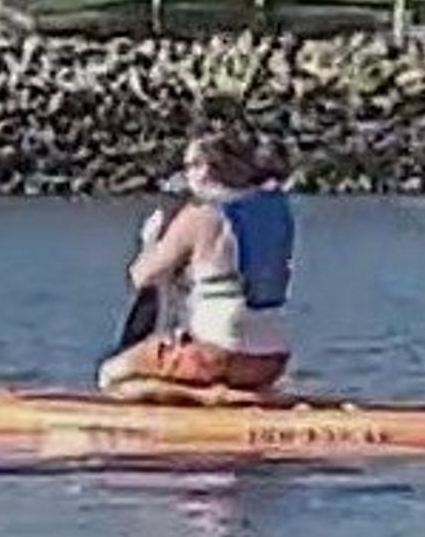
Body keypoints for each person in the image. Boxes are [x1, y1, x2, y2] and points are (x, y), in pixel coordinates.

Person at [98, 133, 295, 394]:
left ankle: (204, 397)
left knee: (111, 375)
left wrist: (151, 240)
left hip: (215, 354)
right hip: (271, 359)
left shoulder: (199, 216)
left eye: (190, 166)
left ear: (206, 170)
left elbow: (141, 277)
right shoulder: (277, 209)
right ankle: (241, 394)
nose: (186, 175)